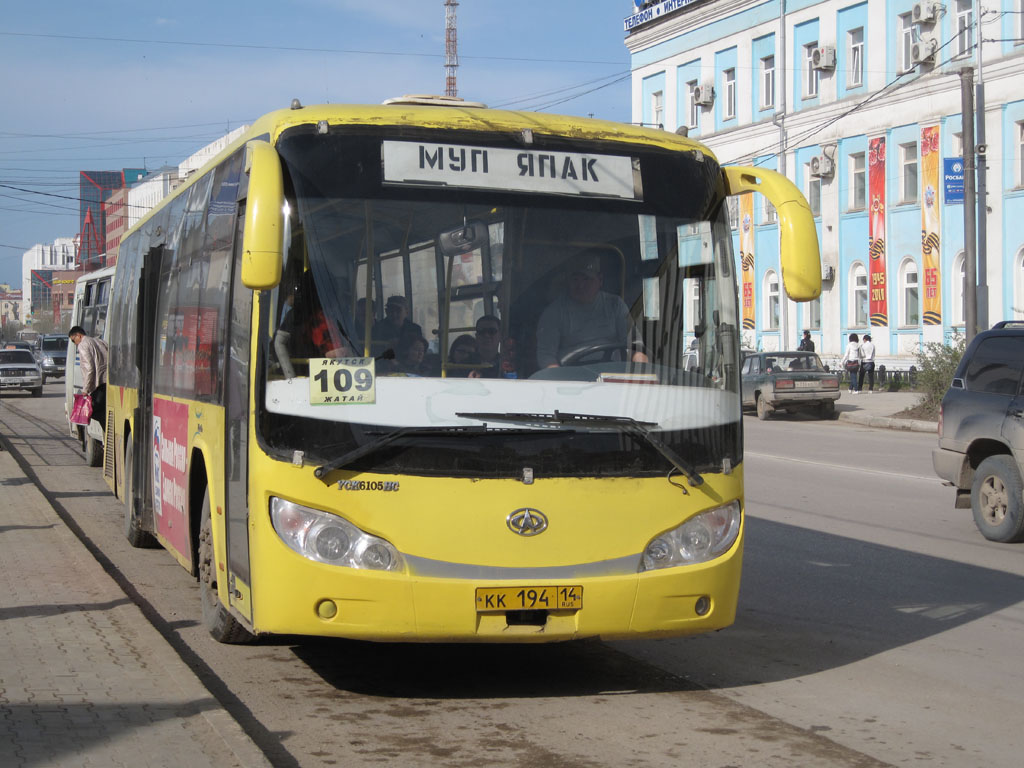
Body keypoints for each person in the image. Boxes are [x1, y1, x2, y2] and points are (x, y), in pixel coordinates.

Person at [535, 252, 648, 368]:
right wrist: (560, 381)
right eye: (575, 279)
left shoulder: (615, 305)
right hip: (570, 379)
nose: (580, 285)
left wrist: (644, 374)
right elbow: (547, 357)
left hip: (612, 377)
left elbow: (636, 348)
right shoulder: (554, 312)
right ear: (568, 281)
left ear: (600, 280)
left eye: (586, 279)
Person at [68, 326, 108, 428]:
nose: (75, 344)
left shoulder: (83, 345)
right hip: (108, 381)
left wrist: (85, 390)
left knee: (90, 410)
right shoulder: (99, 341)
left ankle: (107, 428)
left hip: (98, 384)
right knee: (103, 408)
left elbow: (89, 368)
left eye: (74, 340)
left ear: (78, 335)